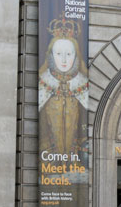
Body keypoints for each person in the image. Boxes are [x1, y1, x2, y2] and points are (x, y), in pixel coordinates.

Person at [38, 16, 89, 156]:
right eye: (59, 54)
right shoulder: (44, 83)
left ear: (76, 55)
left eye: (69, 54)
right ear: (51, 55)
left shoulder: (83, 84)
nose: (65, 60)